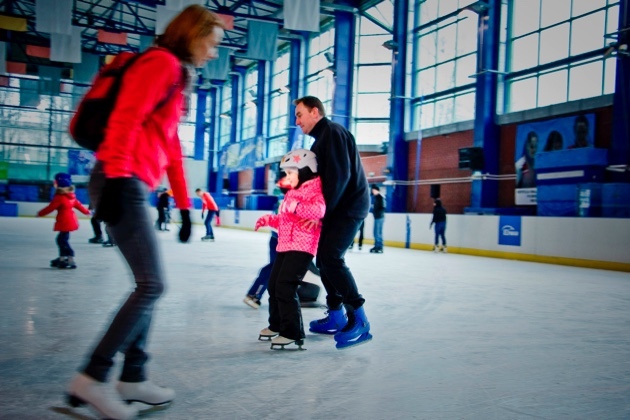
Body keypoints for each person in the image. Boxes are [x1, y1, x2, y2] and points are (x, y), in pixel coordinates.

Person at [66, 6, 224, 419]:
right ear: (193, 35)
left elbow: (170, 147)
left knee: (149, 284)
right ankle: (91, 379)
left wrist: (186, 207)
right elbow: (125, 118)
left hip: (134, 180)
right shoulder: (160, 64)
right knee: (151, 285)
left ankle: (133, 377)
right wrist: (118, 176)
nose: (213, 53)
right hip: (121, 178)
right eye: (211, 43)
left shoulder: (176, 76)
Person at [293, 95, 373, 350]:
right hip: (336, 208)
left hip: (349, 208)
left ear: (314, 112)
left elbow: (340, 178)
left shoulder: (333, 133)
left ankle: (358, 319)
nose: (297, 122)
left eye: (299, 115)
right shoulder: (321, 140)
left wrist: (318, 212)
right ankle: (336, 315)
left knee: (331, 259)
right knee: (324, 260)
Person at [254, 149, 326, 350]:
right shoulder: (292, 193)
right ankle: (276, 325)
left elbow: (318, 211)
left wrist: (294, 206)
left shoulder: (315, 189)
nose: (287, 178)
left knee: (286, 286)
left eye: (290, 173)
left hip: (302, 246)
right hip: (285, 243)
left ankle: (292, 332)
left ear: (305, 171)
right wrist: (269, 220)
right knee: (274, 285)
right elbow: (286, 219)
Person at [37, 172, 91, 269]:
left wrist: (40, 213)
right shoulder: (71, 195)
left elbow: (51, 207)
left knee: (61, 240)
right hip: (70, 220)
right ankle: (62, 258)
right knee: (62, 239)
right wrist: (86, 212)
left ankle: (70, 257)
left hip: (64, 221)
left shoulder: (60, 197)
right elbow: (79, 205)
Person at [369, 184, 385, 254]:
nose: (372, 191)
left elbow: (382, 207)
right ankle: (377, 245)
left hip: (379, 217)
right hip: (378, 217)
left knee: (377, 232)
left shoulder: (380, 197)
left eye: (373, 190)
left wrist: (376, 212)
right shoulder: (377, 197)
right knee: (376, 232)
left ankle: (379, 246)